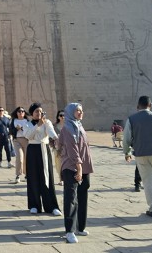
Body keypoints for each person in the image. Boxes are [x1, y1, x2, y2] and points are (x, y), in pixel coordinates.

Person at [58, 103, 94, 244]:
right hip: (72, 166)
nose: (80, 112)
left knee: (82, 194)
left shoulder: (78, 126)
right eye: (77, 110)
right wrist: (78, 168)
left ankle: (80, 226)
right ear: (70, 112)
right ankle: (69, 231)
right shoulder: (68, 128)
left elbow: (59, 144)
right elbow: (72, 149)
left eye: (81, 110)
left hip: (83, 166)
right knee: (71, 197)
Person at [24, 102, 61, 216]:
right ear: (32, 113)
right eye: (36, 111)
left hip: (44, 149)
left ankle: (52, 206)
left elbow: (51, 132)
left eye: (40, 111)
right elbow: (28, 136)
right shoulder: (28, 124)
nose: (38, 113)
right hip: (32, 150)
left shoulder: (47, 122)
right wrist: (38, 125)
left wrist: (55, 138)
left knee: (47, 176)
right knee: (33, 177)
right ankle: (34, 205)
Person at [10, 106, 30, 183]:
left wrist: (21, 128)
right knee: (19, 158)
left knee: (26, 158)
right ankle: (18, 175)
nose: (20, 113)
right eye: (19, 111)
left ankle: (26, 174)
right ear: (16, 113)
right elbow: (11, 131)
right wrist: (16, 129)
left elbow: (30, 130)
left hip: (26, 140)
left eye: (22, 111)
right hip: (17, 140)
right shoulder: (14, 121)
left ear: (24, 113)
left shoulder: (27, 121)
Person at [52, 110, 65, 186]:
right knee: (58, 163)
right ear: (58, 117)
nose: (63, 117)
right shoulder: (54, 126)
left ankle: (66, 177)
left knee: (66, 163)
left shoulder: (69, 125)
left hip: (67, 147)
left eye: (64, 115)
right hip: (57, 147)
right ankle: (61, 178)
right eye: (61, 115)